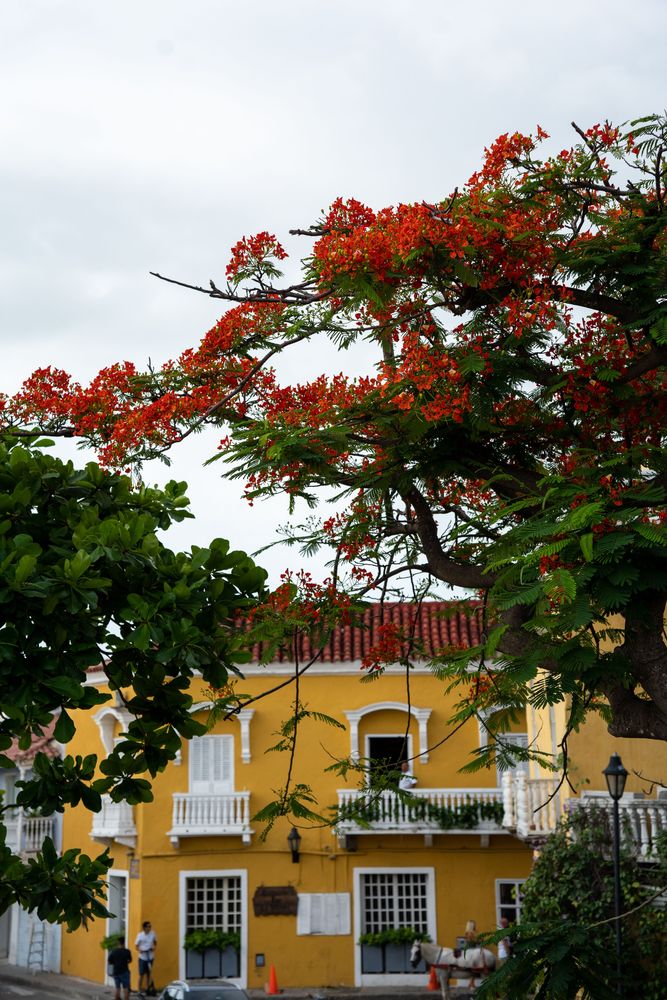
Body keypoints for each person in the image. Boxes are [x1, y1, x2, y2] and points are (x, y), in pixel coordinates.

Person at [135, 920, 157, 995]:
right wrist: (140, 950)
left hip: (150, 956)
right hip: (142, 957)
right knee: (141, 974)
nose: (150, 928)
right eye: (148, 926)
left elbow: (155, 942)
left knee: (149, 973)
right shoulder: (140, 935)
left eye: (150, 926)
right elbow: (136, 946)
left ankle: (148, 988)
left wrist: (154, 947)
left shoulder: (153, 934)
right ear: (144, 928)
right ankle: (139, 989)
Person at [107, 935, 132, 1000]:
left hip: (116, 972)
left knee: (117, 988)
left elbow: (109, 961)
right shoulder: (127, 951)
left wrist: (115, 963)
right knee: (126, 988)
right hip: (124, 972)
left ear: (118, 943)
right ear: (124, 942)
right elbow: (130, 960)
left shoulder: (114, 952)